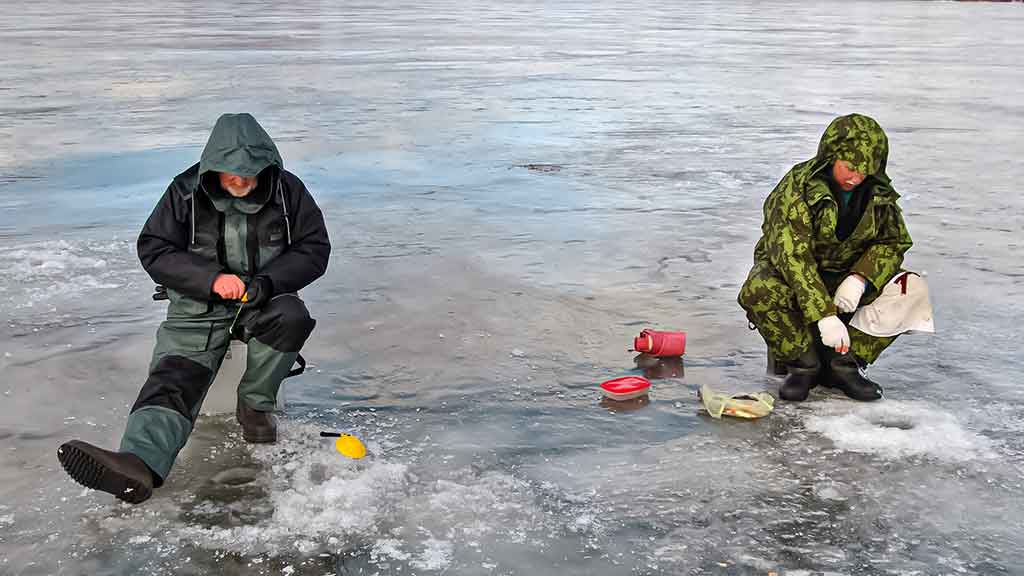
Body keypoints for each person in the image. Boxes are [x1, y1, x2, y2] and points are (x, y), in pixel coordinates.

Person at [56, 113, 330, 504]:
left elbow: (314, 249)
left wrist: (269, 282)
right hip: (198, 308)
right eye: (231, 173)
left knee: (292, 318)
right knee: (175, 377)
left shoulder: (289, 191)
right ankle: (139, 464)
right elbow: (155, 248)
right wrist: (211, 280)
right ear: (212, 167)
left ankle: (255, 407)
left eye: (249, 173)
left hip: (263, 300)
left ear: (266, 165)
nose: (241, 181)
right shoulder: (184, 191)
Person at [738, 114, 914, 403]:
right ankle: (802, 365)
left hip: (845, 281)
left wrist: (860, 279)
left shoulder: (878, 194)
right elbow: (793, 257)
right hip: (797, 279)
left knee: (910, 289)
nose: (856, 177)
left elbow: (893, 242)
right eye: (850, 167)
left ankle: (843, 366)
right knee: (759, 288)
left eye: (865, 171)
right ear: (831, 156)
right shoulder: (798, 186)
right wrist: (824, 315)